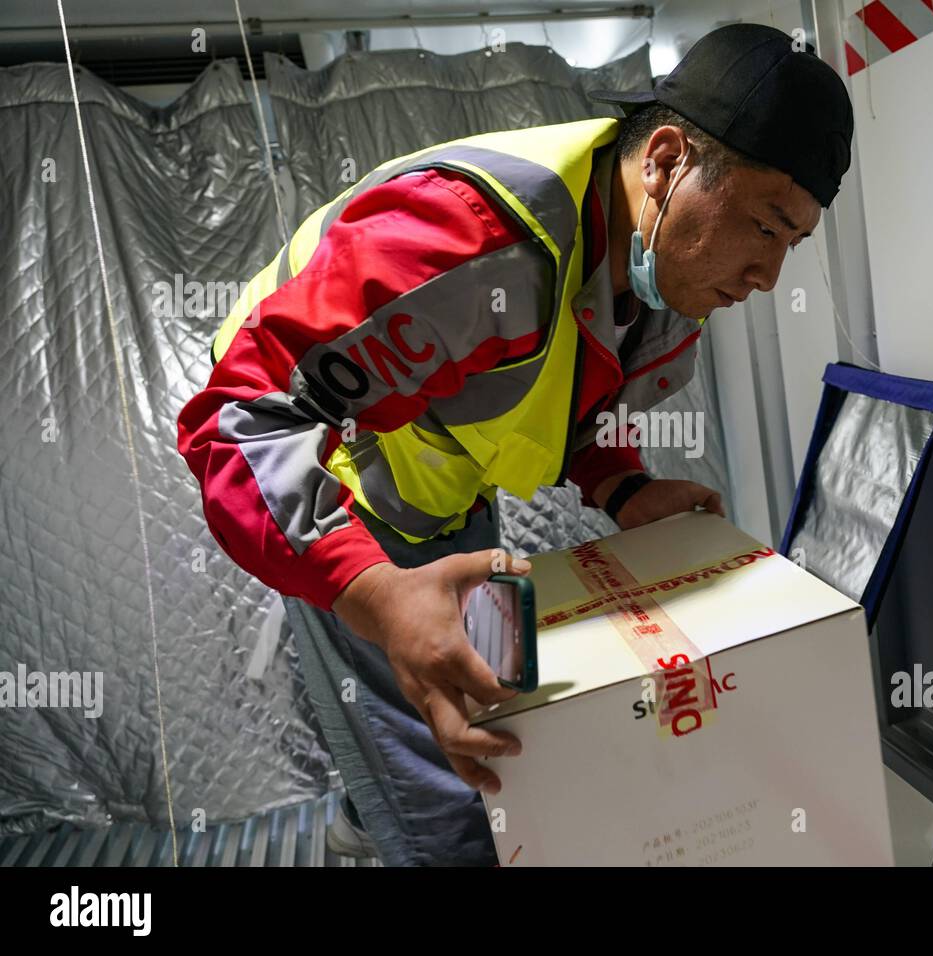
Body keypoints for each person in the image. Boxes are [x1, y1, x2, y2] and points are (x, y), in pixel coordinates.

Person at [177, 22, 854, 866]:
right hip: (334, 497)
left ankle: (366, 813)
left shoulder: (652, 258)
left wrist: (620, 487)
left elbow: (561, 383)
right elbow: (238, 419)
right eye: (764, 226)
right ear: (668, 159)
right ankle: (396, 821)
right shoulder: (471, 243)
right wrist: (378, 594)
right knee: (472, 800)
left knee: (500, 721)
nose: (770, 276)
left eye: (792, 244)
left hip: (448, 486)